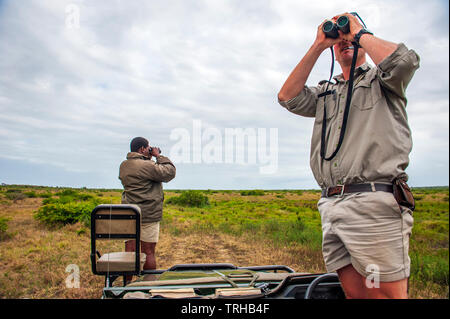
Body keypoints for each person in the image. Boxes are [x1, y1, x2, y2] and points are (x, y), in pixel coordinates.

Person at [278, 12, 420, 298]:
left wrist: (358, 33)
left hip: (373, 203)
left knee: (386, 295)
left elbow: (405, 61)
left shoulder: (383, 82)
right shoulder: (326, 92)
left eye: (348, 34)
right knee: (356, 295)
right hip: (332, 204)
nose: (343, 40)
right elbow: (287, 97)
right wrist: (320, 43)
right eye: (338, 38)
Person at [119, 137, 176, 281]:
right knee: (148, 252)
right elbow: (169, 172)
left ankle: (127, 284)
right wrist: (158, 156)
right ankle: (148, 285)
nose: (150, 149)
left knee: (129, 252)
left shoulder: (124, 165)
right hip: (148, 215)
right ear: (142, 149)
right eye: (148, 147)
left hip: (129, 214)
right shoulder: (147, 166)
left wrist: (148, 158)